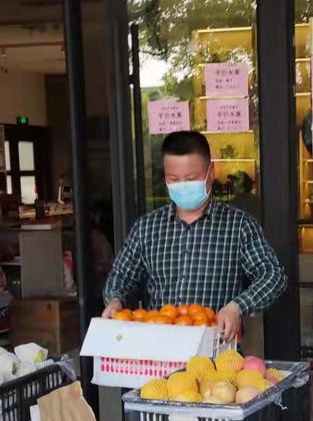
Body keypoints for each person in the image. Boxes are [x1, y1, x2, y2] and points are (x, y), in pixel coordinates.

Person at [102, 130, 287, 341]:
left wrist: (237, 307)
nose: (183, 185)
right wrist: (115, 300)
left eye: (191, 179)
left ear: (211, 172)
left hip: (216, 349)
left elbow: (273, 276)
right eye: (174, 179)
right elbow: (121, 276)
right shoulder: (146, 228)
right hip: (159, 347)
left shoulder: (239, 226)